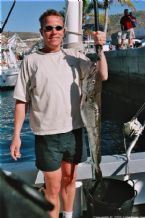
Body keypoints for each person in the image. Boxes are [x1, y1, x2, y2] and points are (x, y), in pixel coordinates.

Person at [10, 9, 108, 218]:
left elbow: (102, 75)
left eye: (58, 27)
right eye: (49, 28)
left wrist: (100, 48)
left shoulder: (74, 57)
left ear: (64, 31)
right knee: (52, 188)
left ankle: (68, 215)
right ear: (41, 31)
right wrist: (16, 135)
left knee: (70, 180)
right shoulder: (31, 60)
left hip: (74, 131)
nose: (54, 32)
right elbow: (21, 101)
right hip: (47, 135)